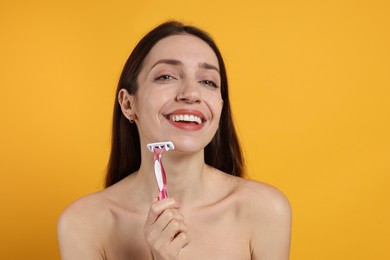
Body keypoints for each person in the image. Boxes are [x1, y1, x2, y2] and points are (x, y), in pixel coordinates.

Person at [57, 21, 292, 260]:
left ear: (220, 107)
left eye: (208, 82)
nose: (191, 94)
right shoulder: (83, 224)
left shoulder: (266, 210)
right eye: (166, 76)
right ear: (128, 104)